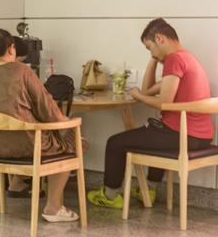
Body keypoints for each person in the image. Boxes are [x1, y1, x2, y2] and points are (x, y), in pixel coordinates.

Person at [88, 18, 214, 209]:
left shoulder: (175, 59)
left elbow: (163, 103)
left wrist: (138, 96)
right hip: (201, 136)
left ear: (159, 38)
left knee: (115, 142)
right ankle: (150, 189)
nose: (151, 52)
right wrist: (153, 60)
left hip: (181, 134)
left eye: (149, 48)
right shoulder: (187, 58)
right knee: (157, 131)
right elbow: (148, 91)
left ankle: (110, 196)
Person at [0, 28, 79, 222]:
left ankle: (17, 184)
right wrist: (68, 122)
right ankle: (53, 207)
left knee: (51, 136)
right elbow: (48, 110)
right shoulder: (22, 70)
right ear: (11, 49)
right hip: (24, 146)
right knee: (72, 141)